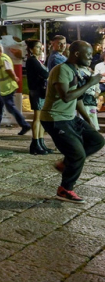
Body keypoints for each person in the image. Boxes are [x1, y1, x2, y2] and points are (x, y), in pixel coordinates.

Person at [40, 41, 104, 203]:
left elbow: (77, 98)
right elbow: (67, 96)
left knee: (97, 140)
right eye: (88, 54)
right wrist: (90, 83)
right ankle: (65, 189)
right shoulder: (61, 69)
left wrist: (88, 120)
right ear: (76, 54)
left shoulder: (74, 70)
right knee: (78, 155)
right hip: (55, 118)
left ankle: (65, 163)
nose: (91, 58)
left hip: (69, 117)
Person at [0, 42, 31, 135]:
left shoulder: (4, 59)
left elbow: (9, 70)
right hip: (2, 88)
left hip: (7, 88)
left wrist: (15, 78)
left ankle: (25, 125)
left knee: (10, 107)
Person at [24, 39, 51, 154]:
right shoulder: (32, 61)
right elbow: (45, 74)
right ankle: (35, 142)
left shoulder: (37, 60)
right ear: (31, 49)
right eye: (38, 47)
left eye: (41, 47)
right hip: (36, 91)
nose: (40, 49)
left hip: (41, 91)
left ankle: (41, 141)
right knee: (37, 117)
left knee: (42, 118)